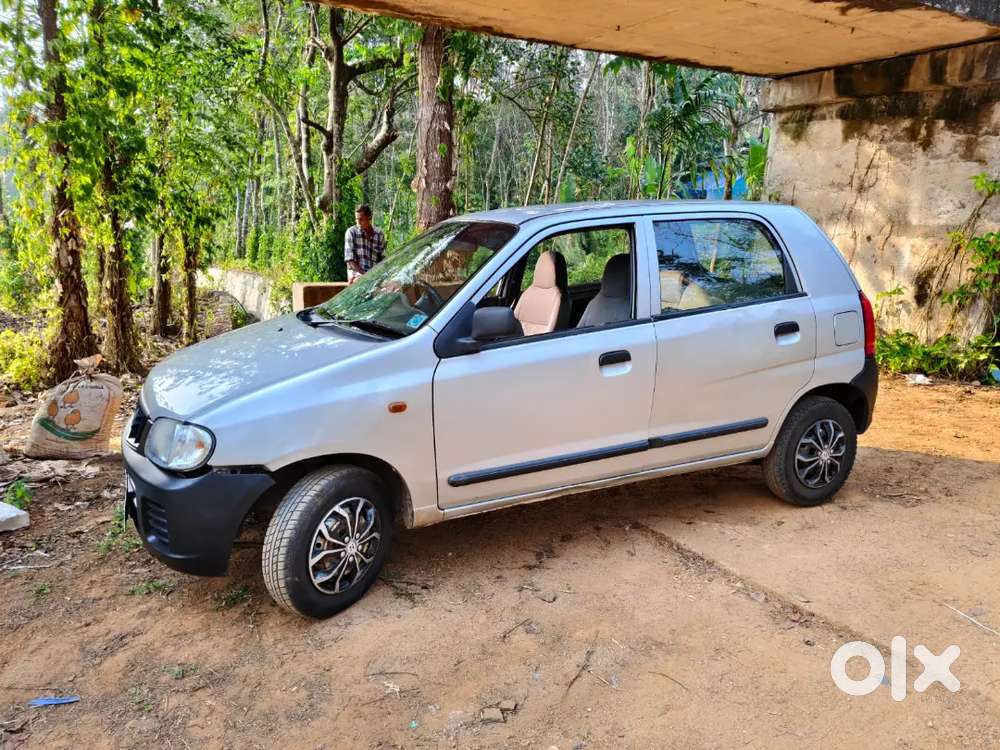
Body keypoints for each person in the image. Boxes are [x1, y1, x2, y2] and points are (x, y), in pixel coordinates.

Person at [344, 204, 387, 284]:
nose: (358, 223)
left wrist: (378, 275)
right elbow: (350, 260)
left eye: (361, 219)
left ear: (369, 218)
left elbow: (383, 260)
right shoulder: (351, 232)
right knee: (360, 282)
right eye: (356, 219)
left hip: (374, 275)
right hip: (357, 275)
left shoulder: (379, 234)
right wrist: (365, 275)